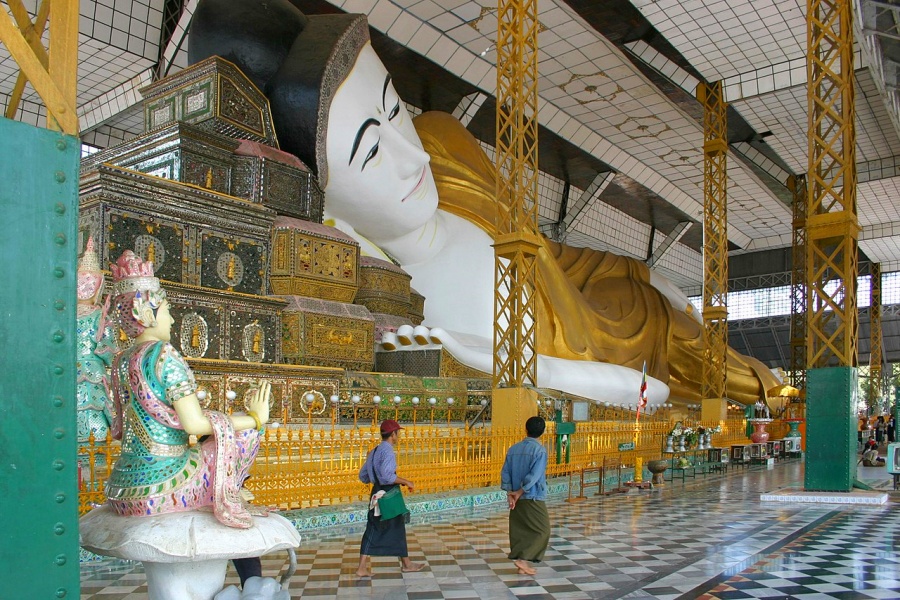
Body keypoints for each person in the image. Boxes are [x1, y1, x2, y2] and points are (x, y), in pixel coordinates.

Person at [188, 0, 779, 407]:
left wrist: (636, 269)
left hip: (602, 301)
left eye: (396, 113)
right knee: (712, 367)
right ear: (326, 196)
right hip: (614, 356)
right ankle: (766, 384)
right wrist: (494, 362)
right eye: (371, 153)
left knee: (667, 311)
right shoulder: (409, 304)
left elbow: (547, 252)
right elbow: (590, 383)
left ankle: (758, 376)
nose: (410, 157)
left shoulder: (444, 145)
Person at [106, 250, 271, 528]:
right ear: (147, 314)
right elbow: (194, 424)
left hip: (122, 486)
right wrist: (256, 418)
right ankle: (228, 491)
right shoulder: (163, 354)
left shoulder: (121, 360)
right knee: (248, 433)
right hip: (164, 484)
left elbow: (120, 429)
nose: (171, 321)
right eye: (168, 312)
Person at [356, 419, 424, 577]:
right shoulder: (387, 451)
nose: (398, 436)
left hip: (377, 492)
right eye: (397, 433)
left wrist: (375, 476)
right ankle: (361, 568)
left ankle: (406, 563)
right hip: (388, 494)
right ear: (393, 434)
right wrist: (406, 481)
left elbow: (363, 476)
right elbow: (387, 476)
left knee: (393, 527)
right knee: (376, 527)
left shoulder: (374, 451)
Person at [76, 237, 116, 449]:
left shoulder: (66, 316)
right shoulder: (98, 315)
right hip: (92, 374)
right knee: (94, 415)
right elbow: (105, 346)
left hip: (68, 375)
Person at [501, 416, 550, 576]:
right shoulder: (539, 450)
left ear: (526, 429)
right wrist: (520, 492)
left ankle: (522, 562)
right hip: (532, 496)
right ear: (542, 432)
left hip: (516, 496)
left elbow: (506, 472)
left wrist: (511, 493)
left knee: (520, 529)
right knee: (543, 530)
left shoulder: (513, 449)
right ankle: (522, 559)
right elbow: (534, 475)